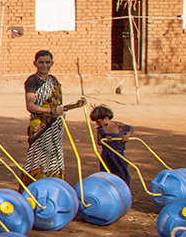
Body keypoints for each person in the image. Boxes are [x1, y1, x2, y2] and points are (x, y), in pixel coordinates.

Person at [25, 49, 86, 180]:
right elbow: (30, 105)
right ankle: (35, 189)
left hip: (55, 128)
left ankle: (53, 186)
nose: (44, 65)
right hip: (40, 127)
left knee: (54, 158)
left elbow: (58, 107)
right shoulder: (32, 81)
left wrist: (75, 105)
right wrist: (50, 111)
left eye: (47, 62)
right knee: (37, 159)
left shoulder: (54, 81)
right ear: (35, 63)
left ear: (52, 63)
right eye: (41, 62)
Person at [91, 105, 133, 187]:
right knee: (106, 173)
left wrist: (126, 136)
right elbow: (99, 142)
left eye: (98, 121)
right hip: (106, 155)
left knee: (121, 172)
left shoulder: (117, 125)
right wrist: (105, 141)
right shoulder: (100, 129)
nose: (97, 124)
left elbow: (130, 128)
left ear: (106, 119)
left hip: (118, 154)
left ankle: (123, 188)